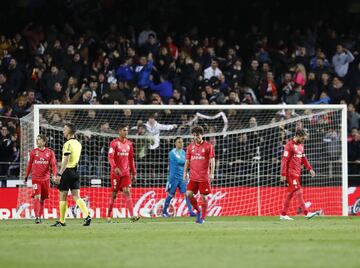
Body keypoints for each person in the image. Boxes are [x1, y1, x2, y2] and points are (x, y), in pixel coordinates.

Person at [51, 123, 91, 227]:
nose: (63, 131)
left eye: (65, 129)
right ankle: (87, 215)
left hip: (67, 172)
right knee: (76, 196)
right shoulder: (78, 143)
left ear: (70, 131)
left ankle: (62, 221)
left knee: (63, 196)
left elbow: (66, 160)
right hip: (75, 172)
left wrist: (59, 174)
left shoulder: (67, 144)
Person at [280, 129, 321, 220]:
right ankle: (306, 212)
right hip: (290, 173)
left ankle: (283, 214)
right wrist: (283, 173)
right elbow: (284, 160)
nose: (303, 140)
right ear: (297, 135)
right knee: (299, 190)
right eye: (302, 138)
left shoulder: (301, 146)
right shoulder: (289, 145)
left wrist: (310, 169)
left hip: (297, 173)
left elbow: (304, 159)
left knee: (290, 194)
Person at [107, 124, 140, 223]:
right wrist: (114, 167)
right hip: (116, 174)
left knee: (127, 192)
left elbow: (131, 159)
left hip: (126, 173)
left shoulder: (129, 144)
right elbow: (110, 157)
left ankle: (132, 215)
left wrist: (134, 172)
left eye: (127, 130)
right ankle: (109, 216)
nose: (126, 132)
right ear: (119, 131)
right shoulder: (114, 143)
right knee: (114, 194)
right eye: (124, 130)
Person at [183, 126, 215, 224]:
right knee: (188, 194)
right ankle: (198, 211)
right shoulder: (190, 147)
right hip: (193, 177)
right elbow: (187, 161)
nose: (196, 137)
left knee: (203, 197)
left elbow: (212, 160)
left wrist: (212, 173)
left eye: (197, 135)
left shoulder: (208, 146)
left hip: (203, 177)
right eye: (194, 136)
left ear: (202, 135)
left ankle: (203, 217)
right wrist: (185, 172)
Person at [24, 134, 57, 224]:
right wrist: (26, 176)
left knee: (42, 198)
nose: (37, 141)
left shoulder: (50, 152)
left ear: (44, 141)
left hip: (46, 179)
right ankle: (37, 217)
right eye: (36, 139)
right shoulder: (33, 152)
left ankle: (40, 216)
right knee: (37, 197)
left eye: (39, 140)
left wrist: (54, 175)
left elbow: (53, 165)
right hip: (36, 179)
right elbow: (29, 164)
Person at [162, 137, 195, 217]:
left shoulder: (184, 152)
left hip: (182, 177)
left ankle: (191, 212)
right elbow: (180, 162)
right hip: (174, 178)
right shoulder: (172, 153)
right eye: (179, 142)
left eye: (182, 141)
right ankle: (164, 212)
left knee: (188, 193)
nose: (181, 143)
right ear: (175, 143)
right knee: (171, 195)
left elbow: (187, 163)